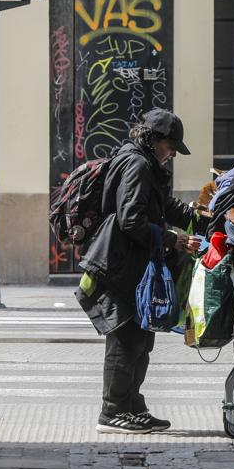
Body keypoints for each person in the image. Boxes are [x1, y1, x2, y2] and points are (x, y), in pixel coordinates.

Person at [76, 108, 202, 434]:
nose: (173, 153)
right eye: (171, 145)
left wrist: (201, 217)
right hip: (117, 267)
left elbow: (162, 206)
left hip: (130, 266)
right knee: (126, 340)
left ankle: (132, 406)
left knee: (142, 341)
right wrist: (173, 239)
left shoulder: (144, 163)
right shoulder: (138, 164)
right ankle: (112, 412)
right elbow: (131, 220)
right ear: (155, 139)